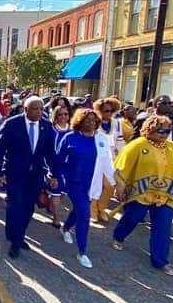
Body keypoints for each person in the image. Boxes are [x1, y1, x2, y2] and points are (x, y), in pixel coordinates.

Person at [111, 115, 173, 277]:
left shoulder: (172, 147)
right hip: (141, 192)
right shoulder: (137, 145)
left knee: (163, 228)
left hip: (166, 194)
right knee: (133, 217)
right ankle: (119, 236)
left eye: (167, 131)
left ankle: (161, 261)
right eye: (160, 131)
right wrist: (120, 186)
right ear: (149, 129)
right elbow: (120, 167)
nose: (164, 134)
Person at [0, 95, 58, 258]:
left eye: (41, 109)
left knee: (28, 208)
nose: (39, 112)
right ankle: (15, 241)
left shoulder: (46, 126)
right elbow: (0, 150)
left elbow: (50, 153)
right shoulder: (12, 124)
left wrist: (53, 174)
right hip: (15, 173)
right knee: (15, 206)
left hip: (35, 175)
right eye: (35, 108)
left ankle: (18, 235)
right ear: (26, 109)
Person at [56, 108, 114, 268]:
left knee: (79, 210)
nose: (91, 122)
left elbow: (108, 164)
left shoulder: (102, 139)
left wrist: (116, 183)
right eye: (87, 120)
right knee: (84, 213)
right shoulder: (70, 137)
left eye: (94, 120)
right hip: (74, 183)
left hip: (92, 183)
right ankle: (82, 252)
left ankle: (66, 228)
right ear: (80, 121)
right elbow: (59, 160)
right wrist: (55, 177)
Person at [91, 98, 120, 226]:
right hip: (97, 159)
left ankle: (101, 208)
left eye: (111, 111)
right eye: (105, 111)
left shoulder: (116, 123)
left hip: (111, 159)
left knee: (109, 186)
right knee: (95, 186)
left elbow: (119, 140)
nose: (108, 113)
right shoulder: (94, 122)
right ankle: (93, 210)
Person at [47, 104, 72, 228]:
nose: (63, 117)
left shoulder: (73, 131)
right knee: (56, 192)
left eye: (66, 114)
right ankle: (56, 219)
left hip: (69, 168)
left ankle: (51, 205)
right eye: (60, 114)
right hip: (54, 166)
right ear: (55, 116)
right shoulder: (51, 130)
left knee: (62, 193)